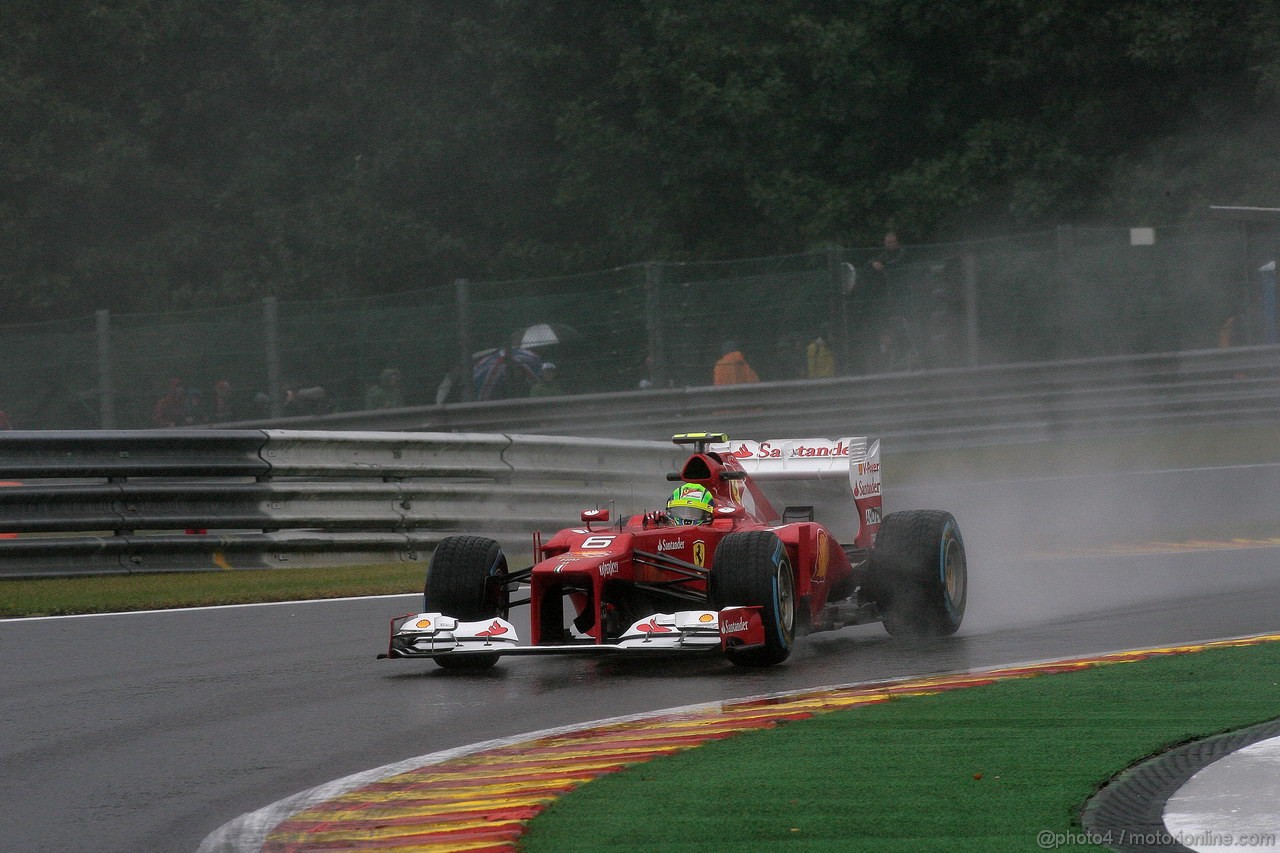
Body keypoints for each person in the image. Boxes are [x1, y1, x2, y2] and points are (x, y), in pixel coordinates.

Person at [645, 483, 715, 527]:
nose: (687, 516)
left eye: (694, 513)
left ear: (707, 516)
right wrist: (652, 527)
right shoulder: (665, 523)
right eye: (681, 512)